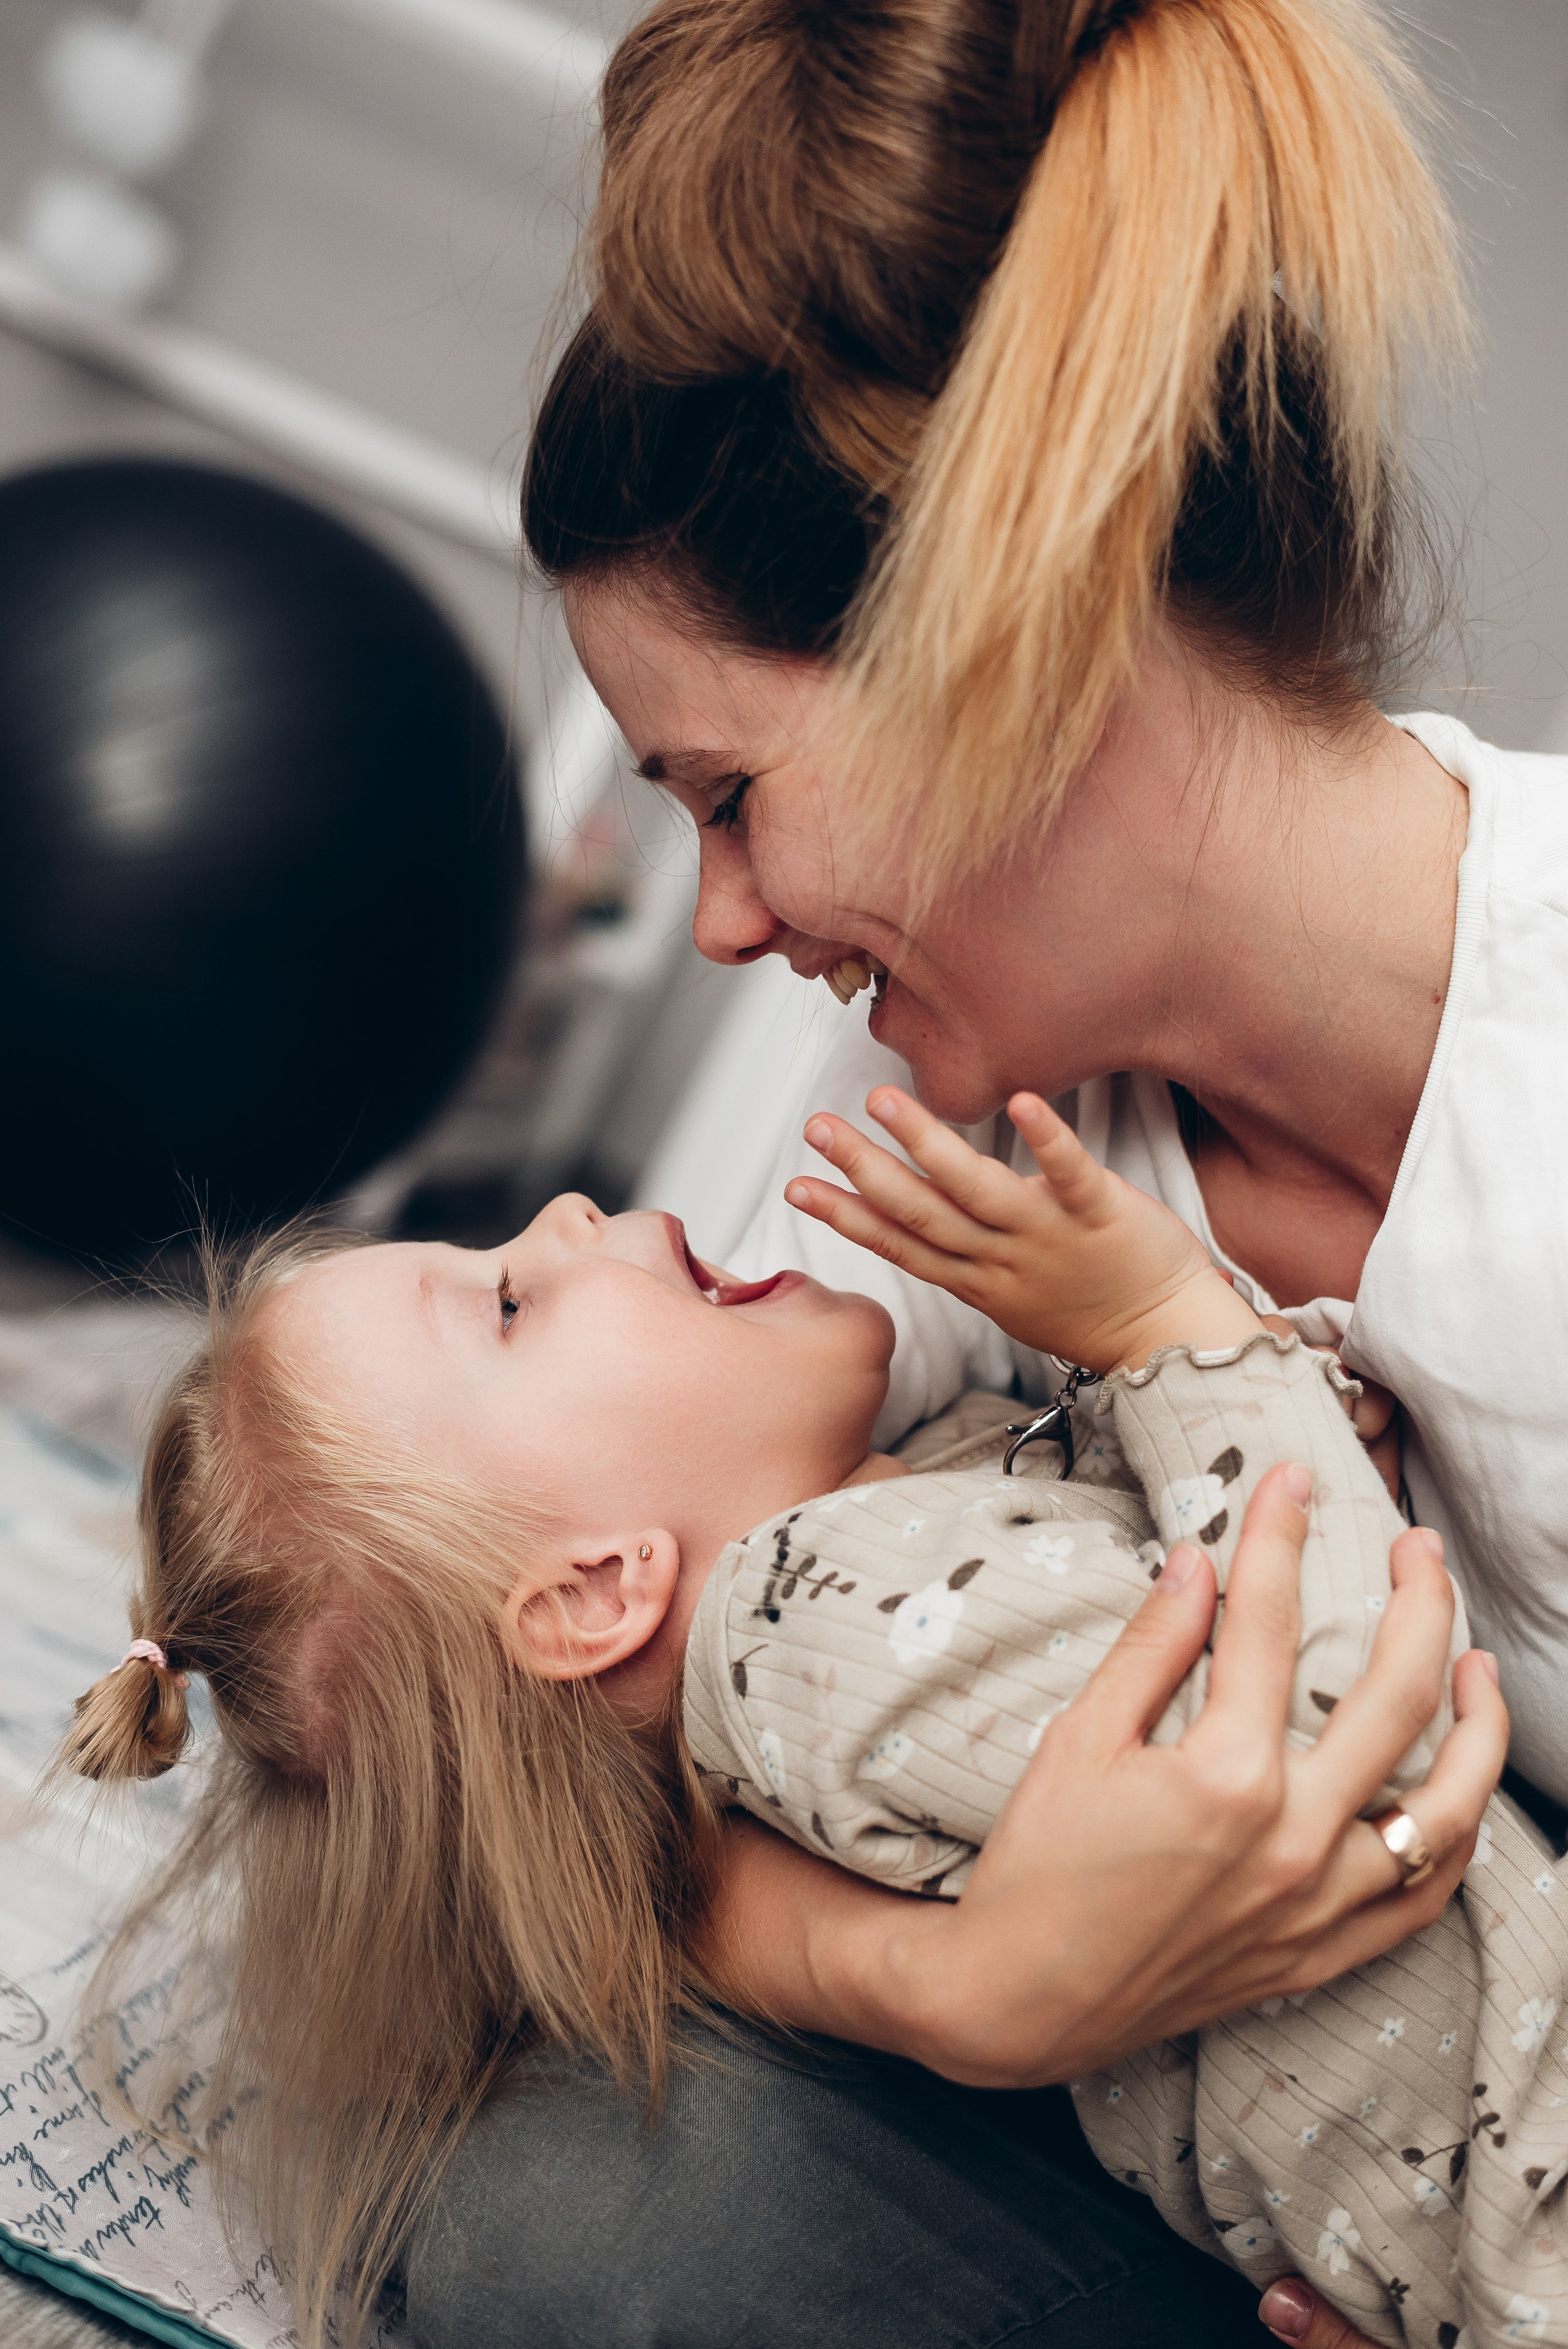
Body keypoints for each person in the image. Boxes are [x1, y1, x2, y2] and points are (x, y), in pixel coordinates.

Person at [483, 0, 1567, 2340]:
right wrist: (971, 1981)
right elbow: (571, 1749)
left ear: (1020, 630)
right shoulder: (952, 1146)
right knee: (563, 2190)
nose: (728, 924)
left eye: (731, 791)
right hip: (1302, 2146)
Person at [54, 1094, 1512, 2349]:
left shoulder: (871, 1550)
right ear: (593, 1595)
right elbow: (1344, 1725)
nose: (568, 1210)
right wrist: (1176, 1340)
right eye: (509, 1301)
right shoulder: (830, 1612)